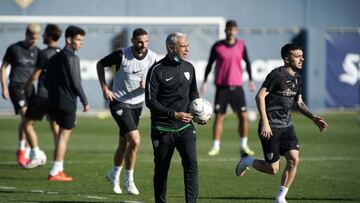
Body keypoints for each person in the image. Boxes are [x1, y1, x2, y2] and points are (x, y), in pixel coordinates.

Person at [235, 43, 329, 203]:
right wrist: (265, 122)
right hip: (271, 127)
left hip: (287, 126)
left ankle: (280, 198)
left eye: (302, 55)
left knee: (294, 159)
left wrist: (313, 117)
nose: (302, 59)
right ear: (287, 58)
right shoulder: (276, 75)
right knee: (273, 169)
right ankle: (247, 161)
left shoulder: (298, 78)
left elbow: (298, 103)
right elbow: (260, 97)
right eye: (298, 56)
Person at [96, 28, 157, 195]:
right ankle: (129, 180)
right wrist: (105, 88)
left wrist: (148, 85)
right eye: (139, 41)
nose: (142, 44)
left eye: (145, 41)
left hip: (137, 105)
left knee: (124, 144)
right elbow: (100, 64)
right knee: (135, 140)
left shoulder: (153, 57)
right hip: (119, 103)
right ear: (132, 41)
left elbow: (155, 79)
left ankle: (113, 175)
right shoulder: (121, 55)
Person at [145, 32, 199, 203]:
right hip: (162, 129)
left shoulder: (189, 67)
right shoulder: (156, 70)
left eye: (187, 45)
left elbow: (193, 93)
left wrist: (198, 112)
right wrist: (173, 114)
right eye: (183, 46)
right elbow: (150, 101)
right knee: (162, 169)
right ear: (171, 48)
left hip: (185, 128)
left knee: (191, 165)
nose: (187, 49)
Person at [199, 20, 256, 156]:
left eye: (233, 30)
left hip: (237, 87)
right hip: (222, 87)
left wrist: (251, 80)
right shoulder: (217, 46)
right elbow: (209, 65)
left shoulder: (241, 45)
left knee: (243, 116)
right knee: (219, 117)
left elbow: (247, 62)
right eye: (229, 30)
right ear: (225, 31)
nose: (231, 32)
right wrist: (205, 81)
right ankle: (216, 147)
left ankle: (243, 145)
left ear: (236, 31)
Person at [46, 25, 89, 181]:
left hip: (52, 102)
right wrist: (85, 100)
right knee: (63, 136)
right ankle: (55, 171)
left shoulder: (53, 58)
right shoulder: (72, 58)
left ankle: (59, 169)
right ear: (69, 39)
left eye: (82, 40)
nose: (81, 43)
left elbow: (45, 81)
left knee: (59, 136)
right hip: (67, 103)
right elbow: (76, 82)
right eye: (78, 39)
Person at [18, 24, 62, 169]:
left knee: (26, 124)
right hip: (57, 96)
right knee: (55, 127)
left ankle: (36, 154)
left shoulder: (43, 53)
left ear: (49, 36)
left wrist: (24, 88)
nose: (42, 36)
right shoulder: (62, 53)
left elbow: (36, 75)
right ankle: (58, 162)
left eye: (44, 34)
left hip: (43, 94)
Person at [0, 23, 41, 167]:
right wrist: (4, 87)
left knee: (29, 121)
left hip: (30, 89)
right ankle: (23, 150)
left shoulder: (37, 52)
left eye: (36, 39)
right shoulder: (14, 49)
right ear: (27, 34)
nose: (34, 41)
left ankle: (26, 149)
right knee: (25, 116)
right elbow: (4, 67)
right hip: (16, 87)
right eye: (32, 38)